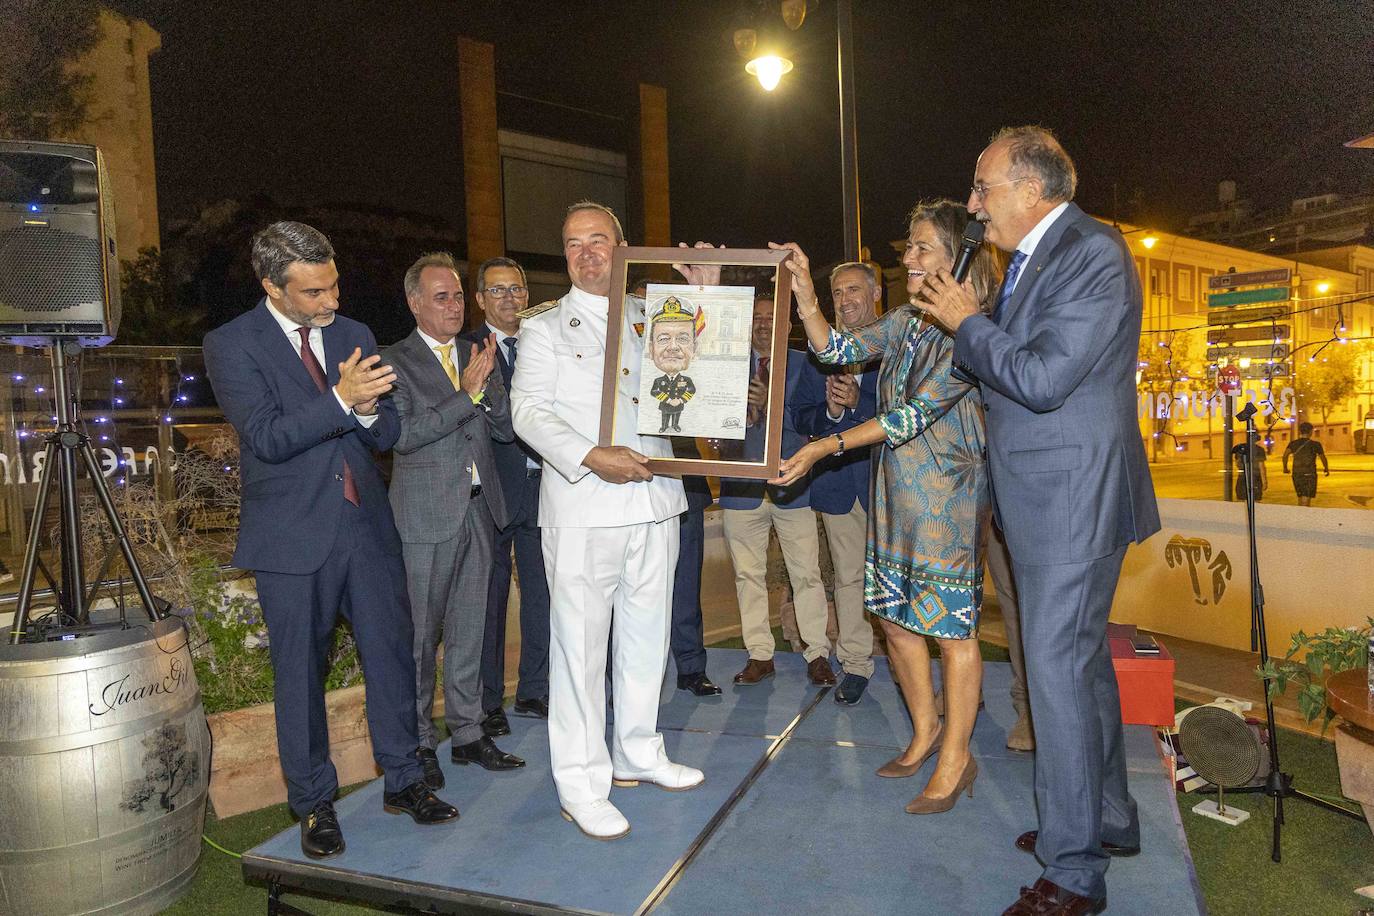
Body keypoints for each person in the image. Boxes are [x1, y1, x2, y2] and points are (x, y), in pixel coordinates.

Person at [922, 126, 1161, 916]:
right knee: (1082, 666)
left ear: (1032, 190)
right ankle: (1104, 822)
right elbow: (992, 366)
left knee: (1055, 672)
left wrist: (966, 320)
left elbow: (1042, 378)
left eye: (984, 187)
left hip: (1069, 499)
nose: (974, 204)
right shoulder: (1026, 261)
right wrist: (965, 322)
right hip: (1044, 493)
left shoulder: (1090, 252)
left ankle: (1072, 875)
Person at [203, 221, 457, 861]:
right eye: (314, 293)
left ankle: (403, 780)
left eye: (334, 285)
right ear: (272, 286)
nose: (331, 302)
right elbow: (266, 437)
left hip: (366, 528)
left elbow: (385, 432)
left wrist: (368, 410)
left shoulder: (354, 335)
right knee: (299, 678)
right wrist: (343, 399)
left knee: (393, 660)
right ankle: (315, 804)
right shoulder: (232, 344)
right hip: (290, 539)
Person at [770, 199, 997, 818]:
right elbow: (838, 350)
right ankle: (925, 733)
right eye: (910, 247)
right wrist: (804, 294)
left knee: (952, 633)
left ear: (960, 257)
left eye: (924, 248)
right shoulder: (907, 319)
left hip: (947, 498)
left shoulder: (972, 328)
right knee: (895, 621)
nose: (910, 258)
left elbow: (911, 416)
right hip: (896, 495)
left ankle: (956, 757)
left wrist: (826, 445)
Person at [509, 202, 705, 841]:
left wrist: (708, 300)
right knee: (580, 653)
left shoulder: (659, 318)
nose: (586, 253)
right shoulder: (544, 329)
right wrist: (591, 456)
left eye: (599, 240)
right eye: (573, 244)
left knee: (648, 639)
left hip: (655, 502)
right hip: (585, 506)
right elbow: (529, 414)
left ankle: (638, 751)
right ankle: (581, 782)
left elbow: (708, 388)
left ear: (623, 246)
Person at [385, 252, 525, 788]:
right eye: (440, 296)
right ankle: (419, 742)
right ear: (415, 302)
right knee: (421, 637)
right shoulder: (391, 360)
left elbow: (507, 429)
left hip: (479, 508)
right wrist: (465, 393)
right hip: (424, 517)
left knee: (471, 630)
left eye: (458, 296)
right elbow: (404, 435)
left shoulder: (477, 351)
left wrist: (488, 395)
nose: (453, 305)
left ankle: (467, 732)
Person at [719, 295, 835, 688]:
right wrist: (741, 419)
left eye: (772, 318)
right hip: (741, 488)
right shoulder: (726, 364)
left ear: (787, 326)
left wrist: (769, 406)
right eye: (756, 317)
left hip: (793, 485)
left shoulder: (806, 365)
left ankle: (817, 652)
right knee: (746, 575)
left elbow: (814, 422)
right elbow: (714, 429)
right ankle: (759, 654)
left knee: (807, 574)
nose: (764, 324)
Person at [463, 256, 551, 737]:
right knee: (490, 601)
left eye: (517, 289)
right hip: (492, 494)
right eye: (497, 291)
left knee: (542, 594)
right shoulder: (465, 351)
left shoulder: (545, 344)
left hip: (546, 490)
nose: (509, 299)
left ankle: (534, 689)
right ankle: (488, 701)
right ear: (480, 299)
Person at [792, 261, 881, 705]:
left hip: (892, 484)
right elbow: (799, 413)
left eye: (853, 291)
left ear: (877, 292)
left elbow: (915, 406)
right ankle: (857, 665)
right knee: (848, 580)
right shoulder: (818, 352)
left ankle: (920, 667)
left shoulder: (899, 342)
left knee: (900, 579)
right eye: (838, 293)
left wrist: (859, 402)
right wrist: (830, 413)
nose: (845, 301)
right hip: (840, 483)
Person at [647, 297, 699, 433]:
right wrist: (669, 400)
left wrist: (680, 401)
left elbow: (691, 390)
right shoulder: (658, 380)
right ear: (651, 349)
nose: (673, 347)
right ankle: (664, 426)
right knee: (664, 418)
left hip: (679, 409)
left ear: (694, 349)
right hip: (665, 406)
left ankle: (675, 425)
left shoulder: (687, 380)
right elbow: (654, 391)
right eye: (663, 339)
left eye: (683, 339)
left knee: (676, 417)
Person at [1282, 422, 1329, 506]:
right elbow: (1323, 458)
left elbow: (1285, 456)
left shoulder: (1293, 444)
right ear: (1311, 431)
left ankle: (1300, 515)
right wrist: (1326, 468)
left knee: (1300, 497)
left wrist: (1285, 468)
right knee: (1306, 497)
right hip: (1309, 473)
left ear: (1300, 431)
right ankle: (1304, 516)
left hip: (1296, 473)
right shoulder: (1316, 445)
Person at [1231, 437, 1269, 501]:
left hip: (1242, 478)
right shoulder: (1259, 450)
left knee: (1241, 501)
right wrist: (1264, 481)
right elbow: (1261, 467)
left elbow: (1237, 463)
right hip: (1255, 478)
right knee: (1255, 501)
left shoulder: (1240, 448)